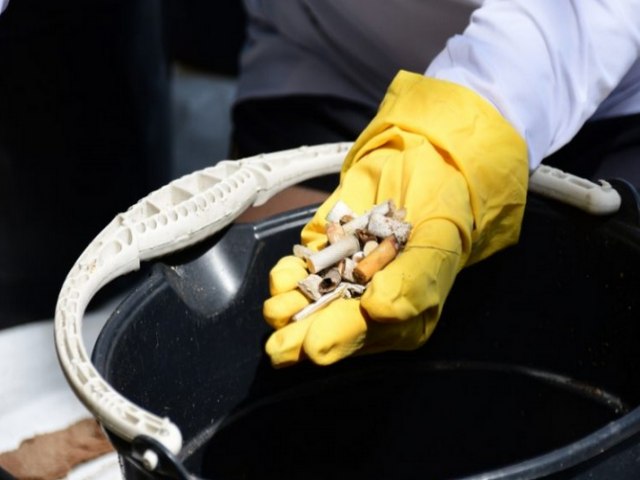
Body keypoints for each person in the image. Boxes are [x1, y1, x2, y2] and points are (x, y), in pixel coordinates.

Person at [230, 1, 640, 367]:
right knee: (261, 323)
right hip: (332, 58)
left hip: (600, 86)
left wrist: (479, 108)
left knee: (596, 328)